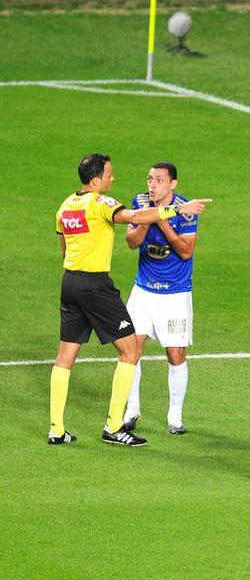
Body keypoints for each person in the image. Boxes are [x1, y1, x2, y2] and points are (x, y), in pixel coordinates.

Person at [50, 153, 209, 446]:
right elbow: (133, 219)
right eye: (109, 174)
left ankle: (56, 429)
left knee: (64, 359)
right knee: (130, 352)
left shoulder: (65, 205)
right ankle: (115, 426)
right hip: (96, 286)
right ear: (96, 180)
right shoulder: (101, 203)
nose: (113, 179)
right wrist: (173, 211)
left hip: (70, 283)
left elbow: (63, 248)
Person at [120, 162, 200, 435]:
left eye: (159, 180)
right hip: (143, 291)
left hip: (175, 294)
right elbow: (131, 242)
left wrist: (162, 221)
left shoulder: (186, 210)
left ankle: (175, 417)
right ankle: (132, 410)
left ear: (173, 184)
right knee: (130, 350)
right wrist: (145, 219)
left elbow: (186, 251)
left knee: (175, 354)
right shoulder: (140, 202)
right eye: (149, 179)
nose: (152, 184)